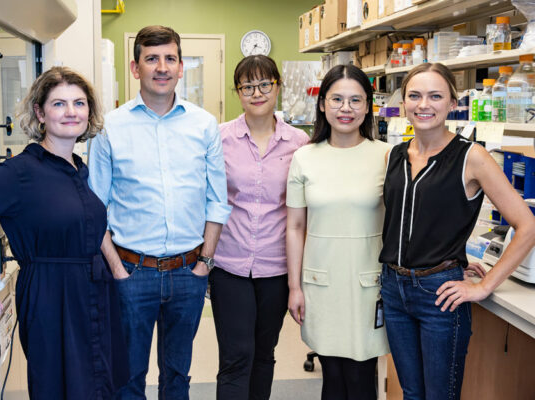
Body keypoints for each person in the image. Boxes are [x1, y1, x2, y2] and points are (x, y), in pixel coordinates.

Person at [0, 66, 128, 399]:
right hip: (52, 297)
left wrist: (118, 272)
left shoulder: (76, 169)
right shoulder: (19, 173)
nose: (71, 112)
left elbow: (88, 230)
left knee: (98, 386)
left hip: (94, 294)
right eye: (59, 104)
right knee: (61, 388)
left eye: (79, 103)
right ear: (40, 113)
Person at [87, 25, 231, 400]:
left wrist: (205, 264)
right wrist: (117, 271)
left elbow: (217, 200)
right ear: (136, 68)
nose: (161, 67)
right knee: (128, 379)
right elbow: (94, 209)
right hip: (132, 273)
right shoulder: (110, 128)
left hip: (189, 273)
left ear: (181, 66)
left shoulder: (203, 125)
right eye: (151, 59)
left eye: (169, 58)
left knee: (177, 378)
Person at [379, 62, 535, 400]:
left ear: (453, 103)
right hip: (393, 289)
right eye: (415, 96)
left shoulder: (471, 157)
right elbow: (410, 222)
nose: (424, 105)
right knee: (411, 394)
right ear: (404, 103)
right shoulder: (394, 155)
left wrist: (484, 286)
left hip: (439, 295)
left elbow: (527, 226)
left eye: (436, 96)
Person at [286, 64, 391, 400]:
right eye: (337, 100)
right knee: (332, 378)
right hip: (321, 284)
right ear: (322, 104)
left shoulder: (387, 155)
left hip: (368, 285)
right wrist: (294, 287)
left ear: (367, 106)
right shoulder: (304, 157)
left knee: (361, 378)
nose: (346, 109)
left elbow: (402, 223)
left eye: (355, 100)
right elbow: (295, 226)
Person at [210, 55, 309, 400]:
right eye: (247, 86)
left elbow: (303, 211)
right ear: (238, 92)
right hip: (229, 264)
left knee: (264, 355)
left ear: (277, 87)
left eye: (265, 84)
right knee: (236, 357)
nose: (257, 92)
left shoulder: (299, 144)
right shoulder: (220, 138)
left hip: (277, 267)